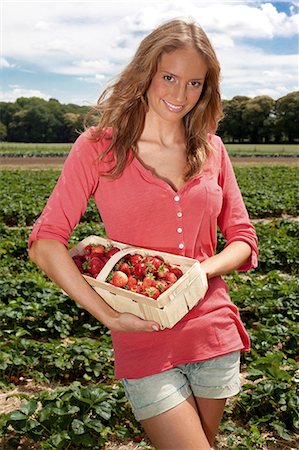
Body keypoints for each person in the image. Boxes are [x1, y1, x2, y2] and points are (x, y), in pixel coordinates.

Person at [28, 18, 258, 450]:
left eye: (194, 83)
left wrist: (200, 272)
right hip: (142, 334)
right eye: (169, 77)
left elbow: (244, 238)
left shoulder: (212, 149)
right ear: (146, 73)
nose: (179, 94)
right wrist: (110, 316)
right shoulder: (98, 148)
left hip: (213, 330)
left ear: (206, 88)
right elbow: (45, 243)